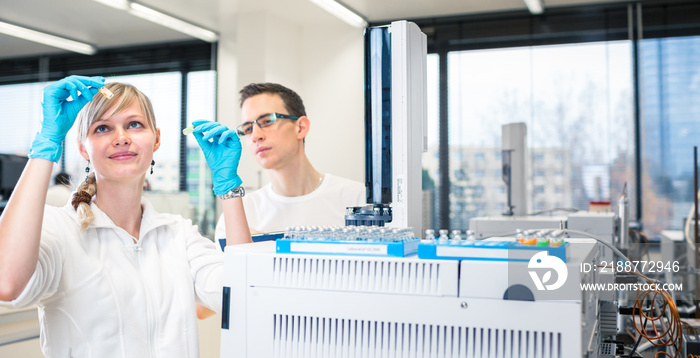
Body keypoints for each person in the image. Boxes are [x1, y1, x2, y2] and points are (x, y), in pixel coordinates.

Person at [0, 75, 251, 356]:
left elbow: (244, 294)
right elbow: (5, 283)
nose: (121, 138)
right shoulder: (60, 230)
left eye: (134, 124)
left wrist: (229, 190)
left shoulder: (178, 235)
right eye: (103, 128)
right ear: (83, 148)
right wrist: (46, 143)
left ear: (156, 139)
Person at [214, 82, 366, 239]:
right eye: (248, 129)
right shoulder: (238, 215)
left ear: (301, 128)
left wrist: (268, 247)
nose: (255, 136)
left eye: (267, 121)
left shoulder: (358, 200)